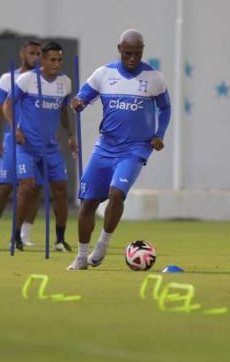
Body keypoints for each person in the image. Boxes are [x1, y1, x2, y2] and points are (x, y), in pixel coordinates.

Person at [67, 30, 170, 270]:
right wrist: (78, 103)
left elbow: (165, 109)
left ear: (143, 50)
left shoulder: (154, 78)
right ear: (119, 49)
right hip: (105, 147)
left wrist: (160, 134)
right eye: (128, 53)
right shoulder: (104, 74)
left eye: (137, 53)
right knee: (88, 204)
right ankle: (81, 256)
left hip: (135, 148)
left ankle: (103, 245)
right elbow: (81, 98)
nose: (132, 58)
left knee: (117, 193)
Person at [3, 42, 77, 252]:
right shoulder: (26, 80)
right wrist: (14, 128)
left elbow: (64, 110)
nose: (57, 64)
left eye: (60, 60)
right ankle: (15, 237)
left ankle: (60, 240)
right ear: (42, 60)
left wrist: (70, 134)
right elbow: (8, 104)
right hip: (26, 146)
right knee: (27, 188)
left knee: (61, 190)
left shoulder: (65, 82)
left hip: (51, 148)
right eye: (52, 60)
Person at [0, 40, 44, 248]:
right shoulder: (8, 78)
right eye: (31, 53)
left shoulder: (44, 80)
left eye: (38, 53)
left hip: (37, 141)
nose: (35, 57)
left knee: (34, 188)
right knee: (5, 186)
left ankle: (24, 235)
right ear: (22, 54)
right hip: (12, 140)